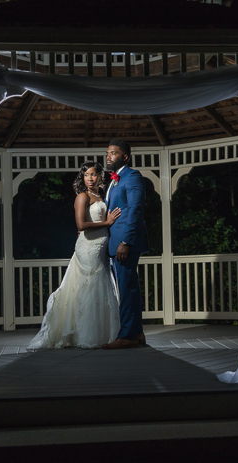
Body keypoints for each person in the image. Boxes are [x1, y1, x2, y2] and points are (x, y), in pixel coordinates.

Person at [27, 162, 122, 350]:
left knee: (100, 287)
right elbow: (81, 225)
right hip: (88, 248)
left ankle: (100, 333)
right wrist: (107, 223)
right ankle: (84, 335)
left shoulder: (100, 195)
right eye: (86, 175)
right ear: (83, 177)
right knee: (88, 288)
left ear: (100, 176)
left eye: (93, 174)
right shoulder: (82, 196)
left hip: (101, 248)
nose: (90, 178)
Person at [103, 139, 149, 349]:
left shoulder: (133, 176)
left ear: (125, 157)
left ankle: (127, 335)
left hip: (125, 243)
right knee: (130, 287)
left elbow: (135, 210)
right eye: (107, 153)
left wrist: (125, 241)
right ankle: (137, 333)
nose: (108, 156)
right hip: (117, 243)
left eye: (113, 153)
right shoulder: (114, 179)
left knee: (127, 288)